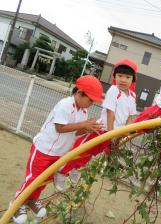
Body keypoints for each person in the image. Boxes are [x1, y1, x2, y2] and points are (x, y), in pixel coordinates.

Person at [12, 75, 103, 224]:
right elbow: (60, 127)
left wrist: (88, 129)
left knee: (45, 179)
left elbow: (75, 132)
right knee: (33, 178)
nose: (91, 104)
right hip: (44, 148)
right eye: (90, 100)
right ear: (80, 93)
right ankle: (17, 204)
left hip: (59, 152)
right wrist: (82, 125)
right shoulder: (65, 104)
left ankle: (32, 200)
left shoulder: (83, 112)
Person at [54, 59, 138, 190]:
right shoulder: (114, 91)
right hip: (103, 129)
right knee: (82, 150)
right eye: (120, 76)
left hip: (114, 133)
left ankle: (75, 168)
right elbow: (110, 113)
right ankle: (61, 172)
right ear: (114, 76)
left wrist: (125, 132)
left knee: (91, 153)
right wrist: (111, 134)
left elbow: (130, 117)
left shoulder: (132, 95)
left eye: (127, 77)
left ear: (133, 80)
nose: (123, 79)